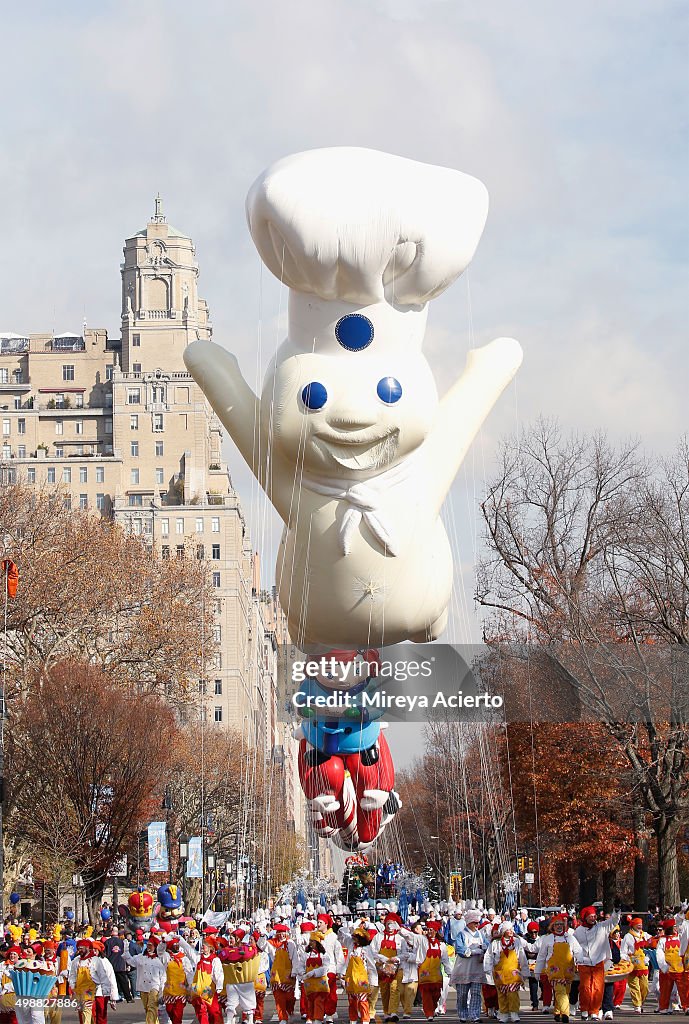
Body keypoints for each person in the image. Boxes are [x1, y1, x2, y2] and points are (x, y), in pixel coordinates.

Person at [571, 908, 620, 1021]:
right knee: (585, 987)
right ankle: (584, 1009)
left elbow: (613, 921)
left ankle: (594, 1011)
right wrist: (575, 960)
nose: (593, 918)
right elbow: (573, 947)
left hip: (598, 962)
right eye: (590, 916)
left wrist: (616, 911)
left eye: (594, 916)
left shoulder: (602, 927)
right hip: (584, 962)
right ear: (585, 917)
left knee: (598, 988)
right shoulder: (578, 931)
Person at [484, 922, 528, 1024]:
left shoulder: (516, 942)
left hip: (513, 973)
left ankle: (514, 1013)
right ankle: (503, 1014)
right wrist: (487, 970)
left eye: (511, 929)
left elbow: (522, 956)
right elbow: (489, 956)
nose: (511, 931)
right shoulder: (495, 943)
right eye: (508, 930)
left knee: (513, 994)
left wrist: (525, 971)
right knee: (502, 994)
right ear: (503, 932)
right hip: (500, 973)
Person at [68, 938, 116, 1024]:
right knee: (85, 1016)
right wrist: (72, 990)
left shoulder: (100, 961)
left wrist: (111, 995)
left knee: (101, 1016)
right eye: (78, 949)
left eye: (81, 948)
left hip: (100, 993)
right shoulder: (76, 961)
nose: (79, 950)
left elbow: (108, 978)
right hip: (83, 993)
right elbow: (72, 976)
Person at [451, 909, 487, 1024]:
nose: (477, 925)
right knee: (462, 994)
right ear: (468, 923)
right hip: (463, 969)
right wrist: (474, 951)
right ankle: (462, 1014)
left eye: (478, 923)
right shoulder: (462, 934)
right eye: (475, 923)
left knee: (476, 993)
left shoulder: (480, 934)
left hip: (477, 968)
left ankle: (475, 1015)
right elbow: (460, 949)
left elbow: (487, 945)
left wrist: (484, 948)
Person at [122, 931, 165, 1024]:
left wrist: (162, 991)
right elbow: (129, 960)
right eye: (148, 945)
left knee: (152, 1008)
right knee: (148, 1009)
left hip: (155, 987)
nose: (149, 947)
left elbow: (163, 976)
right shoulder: (141, 957)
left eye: (151, 945)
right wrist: (126, 948)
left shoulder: (160, 959)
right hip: (143, 987)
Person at [416, 921, 452, 1022]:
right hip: (425, 975)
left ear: (436, 931)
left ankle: (432, 1008)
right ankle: (429, 1013)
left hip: (436, 975)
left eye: (431, 930)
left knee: (436, 995)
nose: (429, 931)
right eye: (428, 929)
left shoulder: (441, 946)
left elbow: (445, 960)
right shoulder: (423, 942)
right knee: (426, 994)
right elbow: (411, 937)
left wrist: (449, 972)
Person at [157, 931, 195, 1024]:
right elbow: (159, 951)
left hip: (181, 991)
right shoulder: (166, 957)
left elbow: (189, 975)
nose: (177, 946)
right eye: (174, 944)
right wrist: (164, 942)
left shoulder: (184, 958)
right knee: (170, 1012)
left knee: (178, 1015)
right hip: (168, 991)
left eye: (177, 944)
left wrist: (190, 990)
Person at [299, 931, 333, 1024]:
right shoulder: (305, 954)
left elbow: (325, 968)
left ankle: (318, 1019)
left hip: (320, 983)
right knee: (309, 1001)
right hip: (309, 984)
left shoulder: (324, 955)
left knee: (319, 1001)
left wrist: (313, 973)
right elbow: (301, 965)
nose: (310, 943)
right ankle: (310, 1018)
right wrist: (302, 973)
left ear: (317, 943)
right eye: (310, 941)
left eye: (312, 941)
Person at [269, 923, 300, 1023]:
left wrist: (294, 971)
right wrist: (260, 935)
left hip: (288, 974)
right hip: (276, 975)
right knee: (279, 997)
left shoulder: (290, 943)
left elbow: (295, 958)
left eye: (283, 933)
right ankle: (282, 1017)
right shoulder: (272, 944)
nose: (281, 935)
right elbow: (262, 946)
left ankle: (289, 1010)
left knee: (290, 997)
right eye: (279, 933)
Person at [344, 928, 376, 1024]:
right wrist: (352, 928)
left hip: (362, 979)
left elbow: (371, 965)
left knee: (363, 1000)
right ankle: (353, 1020)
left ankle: (365, 1020)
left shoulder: (366, 949)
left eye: (356, 937)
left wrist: (373, 982)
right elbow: (342, 933)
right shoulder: (350, 947)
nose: (353, 939)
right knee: (352, 1001)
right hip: (350, 978)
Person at [656, 918, 687, 1014]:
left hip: (680, 968)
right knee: (665, 990)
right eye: (674, 927)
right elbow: (659, 954)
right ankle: (663, 1007)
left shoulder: (680, 937)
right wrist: (664, 967)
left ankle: (686, 1006)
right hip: (668, 970)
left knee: (684, 989)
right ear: (669, 928)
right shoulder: (662, 940)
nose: (676, 928)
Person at [620, 917, 650, 1014]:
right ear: (633, 925)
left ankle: (641, 1002)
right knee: (634, 987)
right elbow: (623, 951)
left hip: (643, 965)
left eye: (641, 924)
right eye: (638, 924)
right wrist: (627, 960)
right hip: (633, 965)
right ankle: (637, 1005)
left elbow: (653, 943)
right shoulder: (628, 936)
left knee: (645, 987)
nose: (640, 926)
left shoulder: (645, 935)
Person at [103, 927, 133, 1003]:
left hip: (111, 964)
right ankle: (128, 998)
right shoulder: (122, 942)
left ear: (111, 933)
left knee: (112, 982)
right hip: (120, 964)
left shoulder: (107, 942)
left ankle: (113, 997)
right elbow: (125, 953)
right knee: (124, 982)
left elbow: (105, 954)